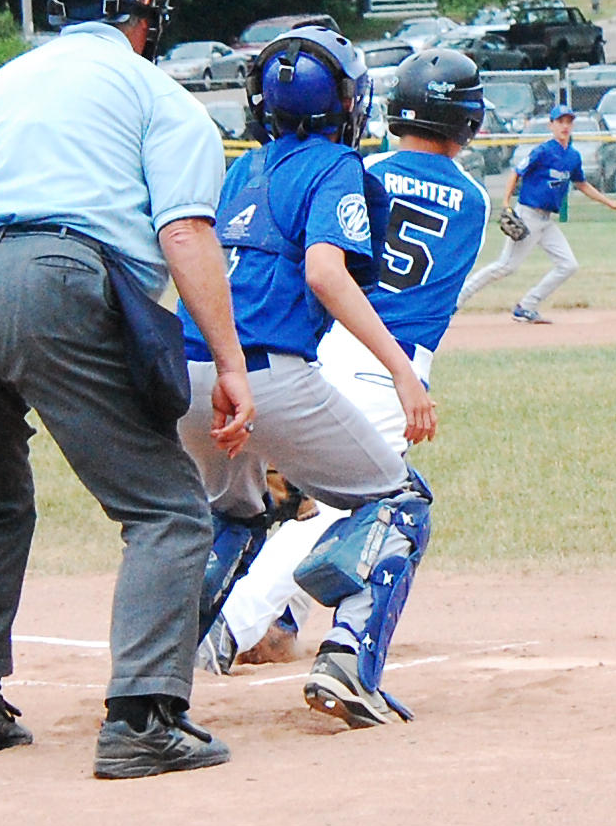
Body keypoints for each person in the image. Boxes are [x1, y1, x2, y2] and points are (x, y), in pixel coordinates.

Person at [0, 0, 254, 778]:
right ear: (146, 8)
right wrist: (231, 364)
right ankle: (142, 720)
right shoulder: (158, 95)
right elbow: (185, 232)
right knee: (166, 510)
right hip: (57, 279)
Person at [177, 26, 439, 730]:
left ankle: (163, 670)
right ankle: (349, 661)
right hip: (265, 376)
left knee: (234, 515)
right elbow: (325, 273)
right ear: (348, 102)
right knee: (399, 502)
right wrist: (401, 372)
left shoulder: (244, 168)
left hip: (190, 376)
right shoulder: (334, 165)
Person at [202, 49, 489, 671]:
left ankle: (279, 623)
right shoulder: (473, 198)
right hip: (391, 362)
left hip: (321, 345)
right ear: (468, 121)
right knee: (358, 509)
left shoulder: (364, 167)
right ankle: (229, 628)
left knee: (315, 500)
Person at [457, 102, 616, 323]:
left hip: (545, 221)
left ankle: (527, 306)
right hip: (528, 215)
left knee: (568, 265)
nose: (565, 126)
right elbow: (516, 173)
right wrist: (506, 203)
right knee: (505, 266)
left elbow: (582, 184)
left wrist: (609, 203)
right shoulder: (543, 151)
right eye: (560, 121)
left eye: (569, 122)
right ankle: (455, 301)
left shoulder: (572, 156)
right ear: (551, 125)